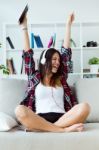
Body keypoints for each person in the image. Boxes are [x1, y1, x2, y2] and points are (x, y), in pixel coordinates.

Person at [15, 13, 90, 132]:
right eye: (54, 59)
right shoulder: (34, 77)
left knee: (85, 107)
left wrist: (68, 25)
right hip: (39, 118)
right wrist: (24, 27)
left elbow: (66, 53)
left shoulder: (61, 78)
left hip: (63, 118)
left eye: (59, 60)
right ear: (45, 60)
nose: (58, 62)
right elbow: (27, 55)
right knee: (19, 110)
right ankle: (63, 130)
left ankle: (45, 129)